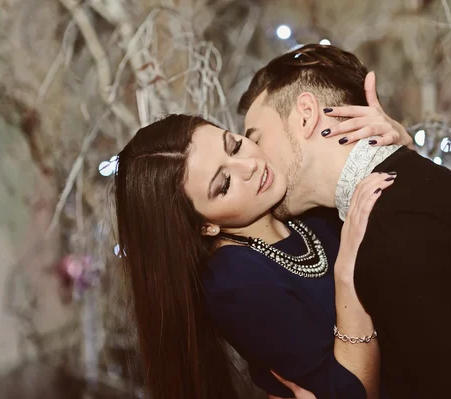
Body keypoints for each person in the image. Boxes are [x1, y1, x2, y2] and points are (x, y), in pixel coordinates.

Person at [238, 44, 451, 398]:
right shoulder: (408, 188)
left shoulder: (394, 230)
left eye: (256, 139)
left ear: (306, 115)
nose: (253, 161)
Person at [114, 112, 410, 398]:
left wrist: (401, 151)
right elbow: (354, 393)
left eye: (235, 145)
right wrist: (347, 275)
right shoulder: (234, 281)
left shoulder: (302, 207)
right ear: (205, 225)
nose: (249, 166)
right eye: (225, 184)